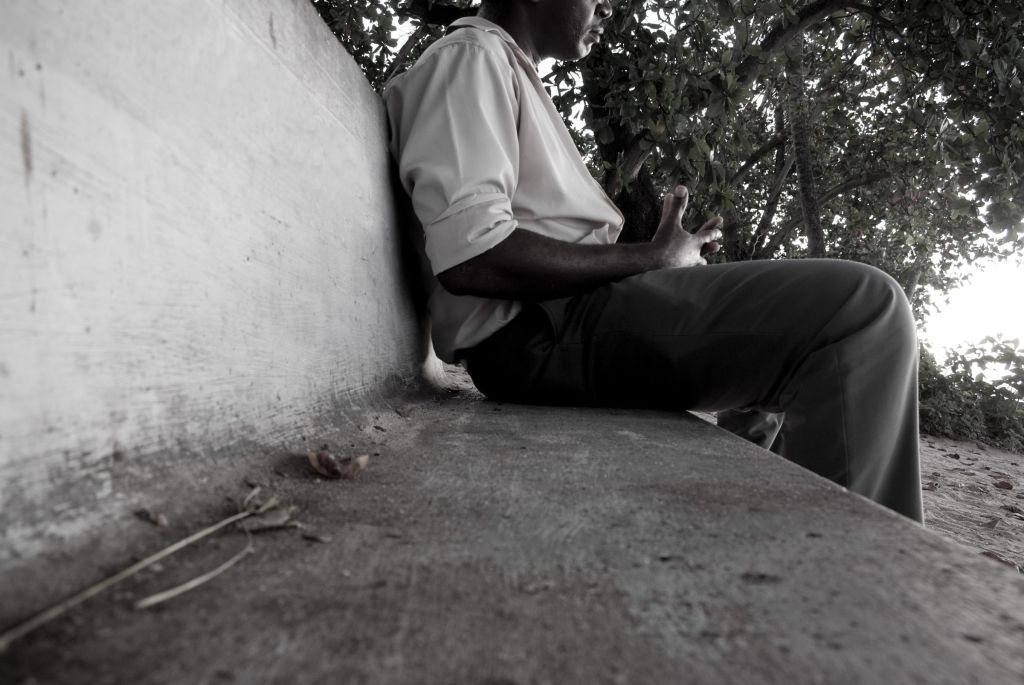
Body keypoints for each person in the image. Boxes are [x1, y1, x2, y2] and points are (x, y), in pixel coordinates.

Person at [383, 0, 923, 522]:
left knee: (766, 375)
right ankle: (856, 589)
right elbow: (474, 256)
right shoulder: (471, 55)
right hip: (538, 333)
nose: (610, 9)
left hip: (564, 321)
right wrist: (648, 258)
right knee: (861, 313)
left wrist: (659, 266)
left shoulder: (503, 69)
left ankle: (764, 525)